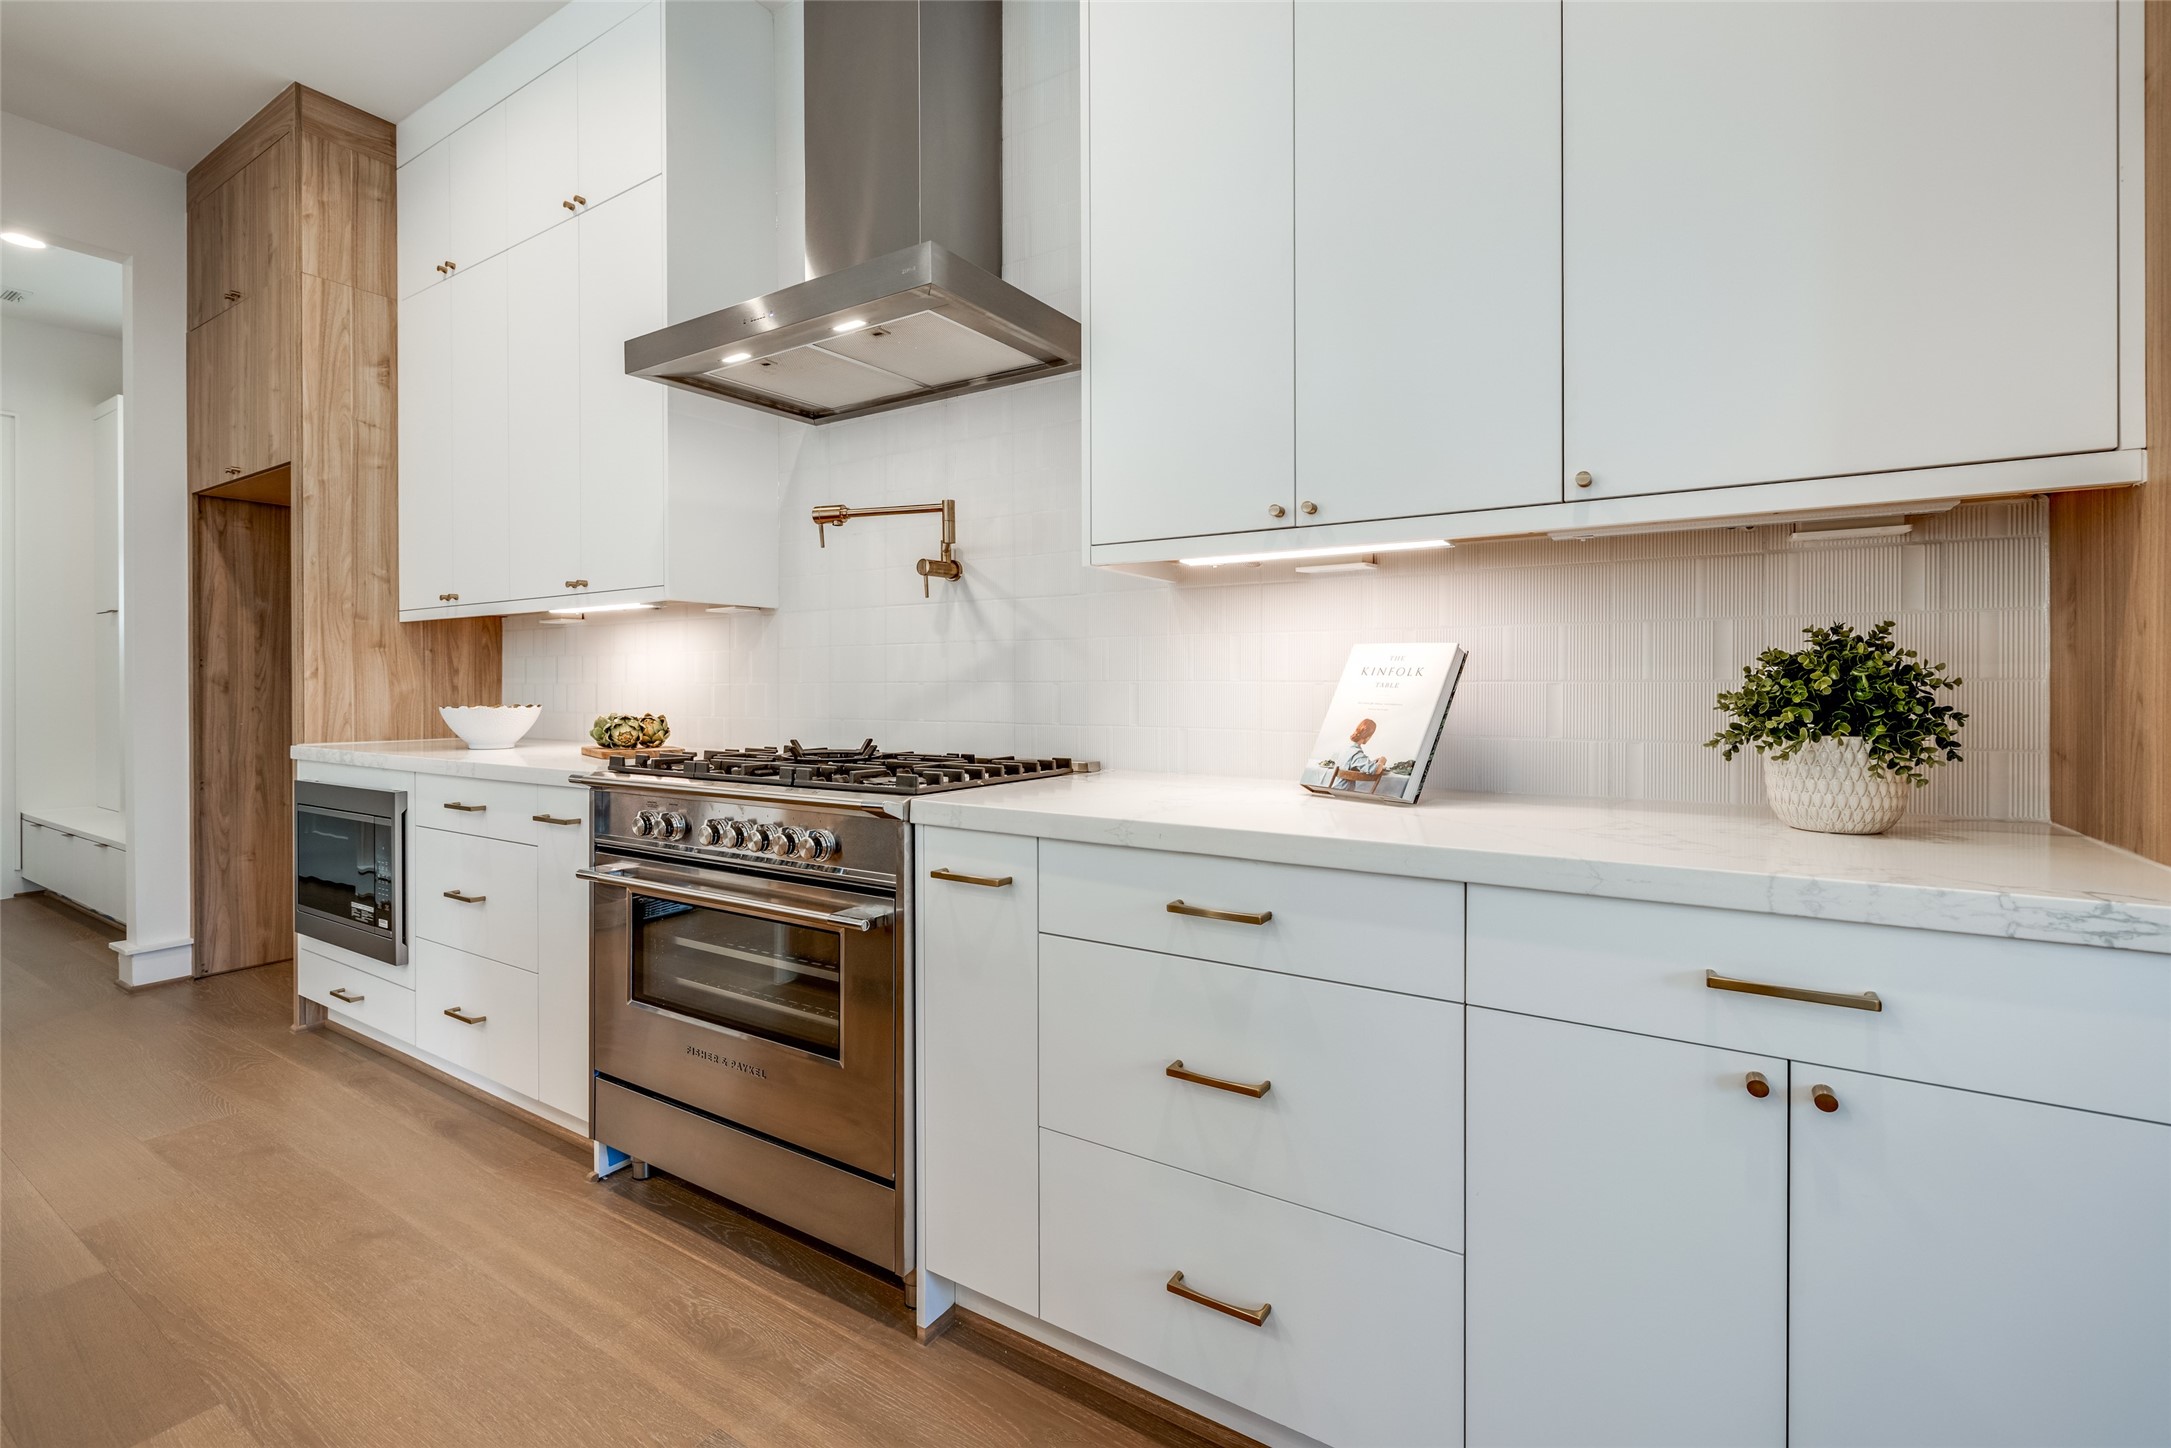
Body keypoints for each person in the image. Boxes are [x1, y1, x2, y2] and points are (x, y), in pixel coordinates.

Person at [1331, 718, 1389, 792]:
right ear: (1368, 736)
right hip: (1345, 793)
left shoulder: (1346, 747)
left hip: (1335, 789)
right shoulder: (1356, 753)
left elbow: (1353, 764)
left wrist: (1372, 762)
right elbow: (1376, 770)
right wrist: (1382, 760)